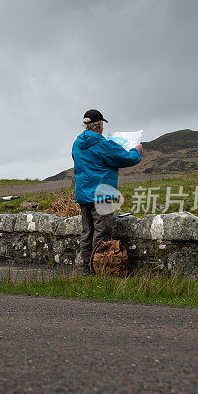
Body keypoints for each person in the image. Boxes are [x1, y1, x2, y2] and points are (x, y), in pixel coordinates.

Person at [72, 109, 143, 273]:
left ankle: (86, 268)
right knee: (102, 232)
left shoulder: (76, 144)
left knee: (87, 232)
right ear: (99, 125)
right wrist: (136, 151)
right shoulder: (103, 144)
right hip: (102, 195)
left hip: (83, 195)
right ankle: (99, 269)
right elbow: (127, 158)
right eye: (102, 124)